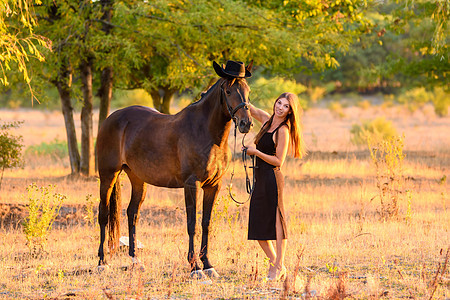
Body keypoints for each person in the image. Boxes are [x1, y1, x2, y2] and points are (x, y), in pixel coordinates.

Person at [245, 92, 306, 281]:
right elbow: (250, 108)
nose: (280, 107)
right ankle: (275, 263)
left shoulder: (283, 130)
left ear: (290, 111)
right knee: (256, 224)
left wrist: (255, 152)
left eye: (285, 106)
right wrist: (232, 88)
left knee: (277, 221)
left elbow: (279, 161)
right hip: (260, 178)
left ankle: (279, 265)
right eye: (279, 103)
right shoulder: (266, 120)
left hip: (272, 178)